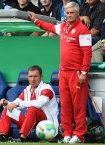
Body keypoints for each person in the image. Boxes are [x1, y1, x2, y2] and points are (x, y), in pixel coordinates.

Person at [29, 1, 92, 143]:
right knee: (65, 104)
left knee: (79, 106)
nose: (69, 15)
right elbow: (49, 26)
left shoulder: (83, 30)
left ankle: (79, 135)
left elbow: (87, 53)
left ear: (77, 14)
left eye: (71, 13)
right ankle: (67, 133)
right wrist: (36, 20)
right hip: (63, 72)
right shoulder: (63, 27)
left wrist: (83, 72)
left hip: (77, 73)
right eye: (67, 13)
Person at [0, 65, 59, 142]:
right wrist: (7, 103)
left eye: (35, 76)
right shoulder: (27, 89)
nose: (33, 79)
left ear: (41, 77)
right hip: (30, 122)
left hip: (46, 124)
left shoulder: (47, 88)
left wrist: (17, 104)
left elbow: (39, 103)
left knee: (32, 109)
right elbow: (17, 102)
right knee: (7, 110)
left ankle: (21, 139)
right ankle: (2, 137)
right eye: (30, 76)